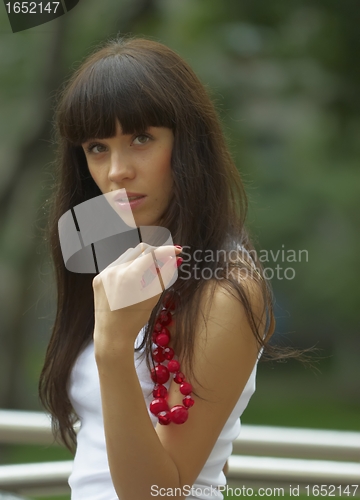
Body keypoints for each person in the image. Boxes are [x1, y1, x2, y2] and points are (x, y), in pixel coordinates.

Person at [39, 36, 276, 500]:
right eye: (97, 147)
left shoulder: (224, 288)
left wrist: (112, 346)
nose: (117, 171)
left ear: (188, 144)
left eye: (141, 139)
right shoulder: (120, 255)